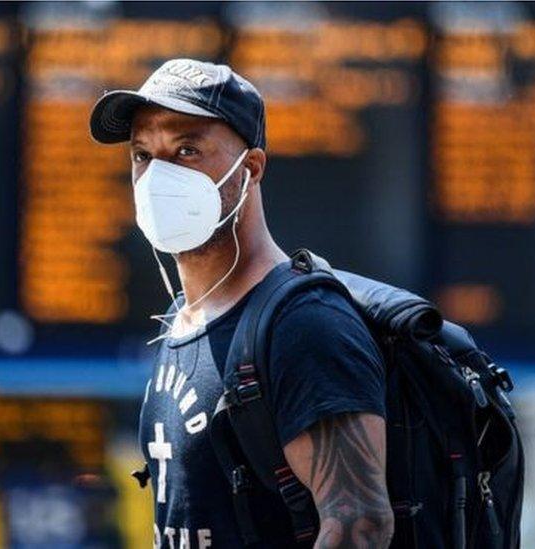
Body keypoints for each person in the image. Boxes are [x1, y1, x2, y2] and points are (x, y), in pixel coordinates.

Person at [90, 58, 394, 548]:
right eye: (143, 155)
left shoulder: (303, 325)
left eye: (187, 150)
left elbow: (361, 523)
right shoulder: (180, 322)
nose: (157, 177)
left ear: (250, 168)